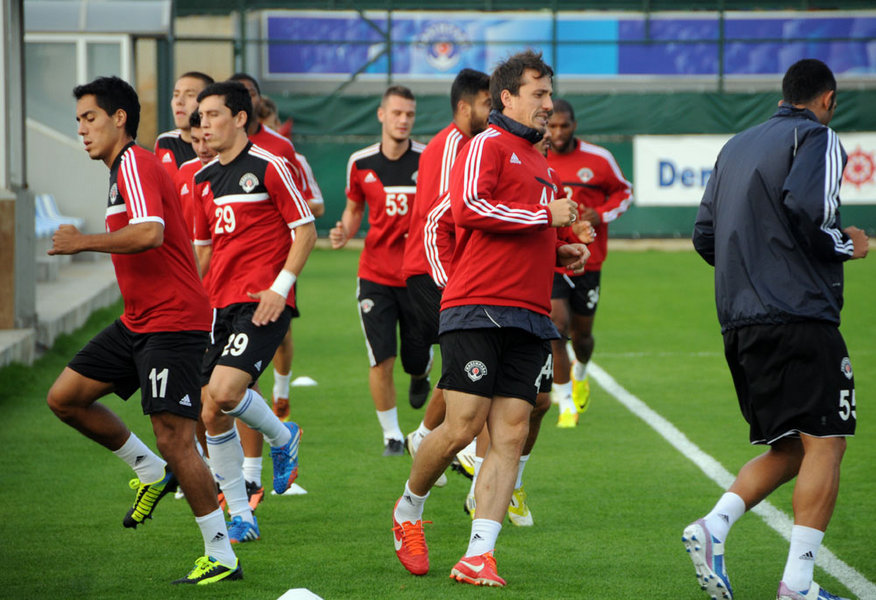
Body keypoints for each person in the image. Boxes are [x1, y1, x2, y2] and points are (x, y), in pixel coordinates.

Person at [391, 50, 588, 587]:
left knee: (512, 433)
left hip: (529, 314)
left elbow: (522, 233)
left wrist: (559, 252)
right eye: (538, 94)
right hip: (477, 306)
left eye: (549, 93)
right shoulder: (486, 144)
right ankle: (408, 511)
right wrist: (545, 215)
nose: (548, 103)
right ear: (508, 97)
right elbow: (469, 210)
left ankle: (479, 553)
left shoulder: (541, 162)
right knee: (462, 426)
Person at [45, 76, 240, 585]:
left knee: (176, 438)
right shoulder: (119, 170)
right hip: (139, 320)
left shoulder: (134, 161)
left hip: (173, 321)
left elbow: (150, 232)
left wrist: (82, 241)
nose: (82, 129)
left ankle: (222, 555)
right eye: (79, 121)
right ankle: (149, 470)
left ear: (119, 119)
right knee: (66, 398)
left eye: (90, 118)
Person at [688, 58, 868, 600]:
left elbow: (704, 236)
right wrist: (849, 244)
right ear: (828, 99)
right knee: (828, 442)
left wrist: (754, 270)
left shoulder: (736, 145)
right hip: (799, 316)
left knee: (791, 447)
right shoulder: (817, 137)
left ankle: (713, 526)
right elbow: (807, 211)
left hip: (740, 322)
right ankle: (799, 584)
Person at [192, 80, 317, 543]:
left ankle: (284, 436)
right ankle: (242, 515)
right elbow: (204, 253)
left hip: (262, 303)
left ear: (240, 118)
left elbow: (305, 230)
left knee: (225, 391)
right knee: (211, 413)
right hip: (217, 308)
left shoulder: (270, 166)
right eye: (201, 116)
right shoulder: (202, 180)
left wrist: (280, 289)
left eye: (213, 114)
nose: (204, 124)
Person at [226, 74, 321, 497]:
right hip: (217, 294)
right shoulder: (201, 167)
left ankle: (249, 476)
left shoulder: (278, 152)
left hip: (267, 282)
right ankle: (231, 484)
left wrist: (281, 281)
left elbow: (309, 212)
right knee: (215, 396)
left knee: (236, 382)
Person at [329, 85, 431, 456]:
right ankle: (392, 435)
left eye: (410, 114)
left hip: (418, 276)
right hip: (375, 276)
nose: (403, 120)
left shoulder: (429, 159)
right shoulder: (360, 162)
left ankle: (420, 374)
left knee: (414, 358)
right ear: (381, 115)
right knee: (381, 358)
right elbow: (354, 208)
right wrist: (344, 230)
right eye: (397, 113)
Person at [401, 68, 491, 485]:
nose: (493, 111)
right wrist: (455, 278)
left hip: (448, 269)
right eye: (487, 104)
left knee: (467, 355)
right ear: (464, 106)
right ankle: (455, 446)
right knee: (473, 354)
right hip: (433, 268)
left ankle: (424, 436)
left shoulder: (468, 143)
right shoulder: (452, 146)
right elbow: (442, 216)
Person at [546, 98, 632, 426]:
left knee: (582, 337)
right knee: (556, 326)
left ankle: (580, 372)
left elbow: (624, 192)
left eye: (563, 126)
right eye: (552, 125)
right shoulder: (538, 157)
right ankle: (565, 401)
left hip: (589, 261)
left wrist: (602, 213)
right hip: (553, 258)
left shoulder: (599, 158)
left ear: (574, 125)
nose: (557, 132)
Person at [155, 71, 214, 178]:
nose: (179, 101)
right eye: (176, 95)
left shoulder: (220, 146)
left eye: (190, 95)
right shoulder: (164, 142)